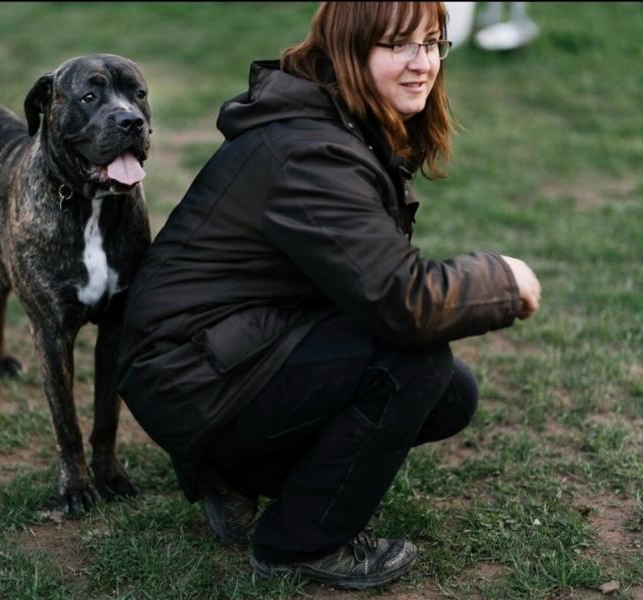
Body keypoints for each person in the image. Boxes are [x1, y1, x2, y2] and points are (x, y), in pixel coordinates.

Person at [118, 1, 541, 590]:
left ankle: (231, 471)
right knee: (413, 363)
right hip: (190, 369)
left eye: (432, 44)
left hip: (222, 351)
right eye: (398, 45)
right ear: (350, 49)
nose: (422, 64)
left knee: (449, 394)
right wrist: (500, 277)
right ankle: (298, 543)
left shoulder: (339, 124)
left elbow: (361, 279)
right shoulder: (311, 150)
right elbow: (401, 301)